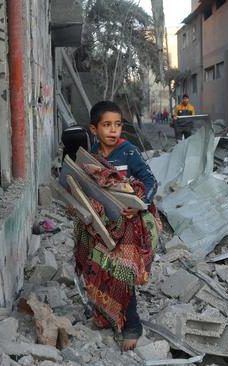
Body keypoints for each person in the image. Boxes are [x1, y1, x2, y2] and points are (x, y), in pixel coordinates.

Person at [74, 101, 159, 352]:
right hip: (101, 222)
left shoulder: (129, 151)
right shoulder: (91, 154)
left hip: (129, 221)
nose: (113, 130)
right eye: (106, 125)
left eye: (118, 125)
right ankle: (107, 315)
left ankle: (132, 325)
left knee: (122, 270)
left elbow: (151, 181)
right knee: (98, 266)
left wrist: (140, 204)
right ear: (94, 129)